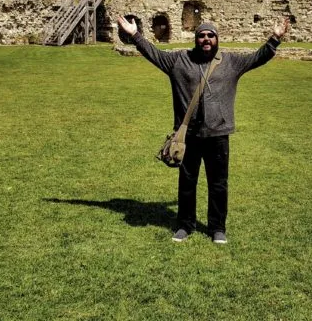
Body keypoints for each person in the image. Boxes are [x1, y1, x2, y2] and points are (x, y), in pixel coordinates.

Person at [118, 15, 290, 244]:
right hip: (188, 136)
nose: (206, 39)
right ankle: (185, 225)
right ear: (195, 39)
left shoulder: (231, 62)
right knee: (187, 183)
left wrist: (275, 39)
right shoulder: (179, 60)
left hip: (218, 134)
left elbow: (257, 58)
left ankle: (217, 228)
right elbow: (154, 54)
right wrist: (134, 35)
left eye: (210, 35)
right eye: (201, 35)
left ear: (217, 39)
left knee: (218, 184)